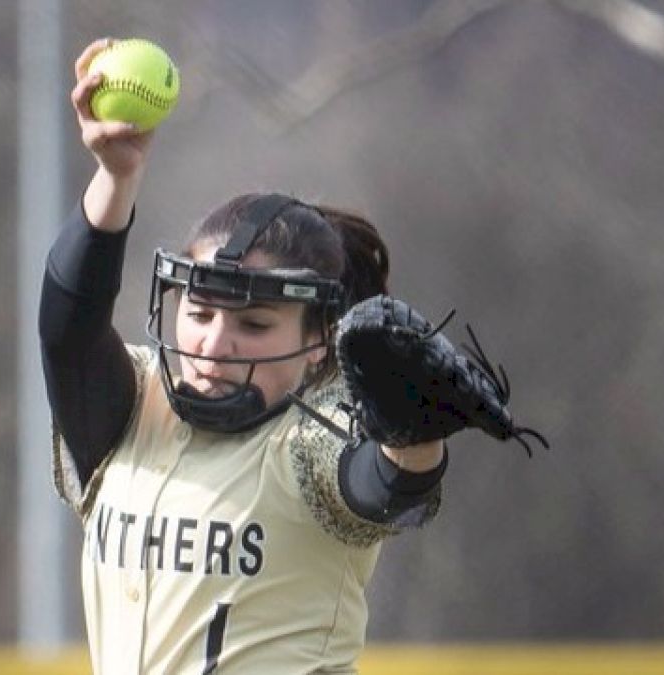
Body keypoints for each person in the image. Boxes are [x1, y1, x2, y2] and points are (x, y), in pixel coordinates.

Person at [40, 38, 450, 675]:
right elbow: (68, 329)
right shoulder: (133, 412)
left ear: (318, 345)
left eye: (254, 324)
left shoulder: (307, 441)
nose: (213, 343)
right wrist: (117, 178)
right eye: (199, 313)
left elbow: (387, 481)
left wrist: (415, 428)